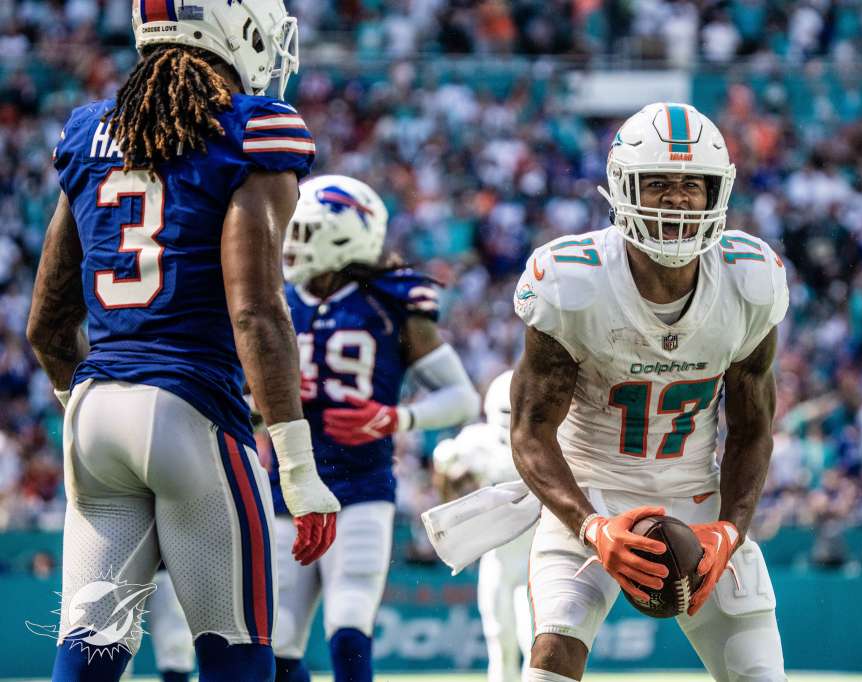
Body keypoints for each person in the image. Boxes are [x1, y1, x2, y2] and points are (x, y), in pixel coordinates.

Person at [26, 1, 341, 678]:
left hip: (94, 411)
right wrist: (298, 467)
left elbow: (47, 323)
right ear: (238, 29)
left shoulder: (88, 131)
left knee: (87, 655)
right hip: (190, 410)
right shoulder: (254, 129)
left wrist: (88, 410)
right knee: (237, 655)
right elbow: (256, 312)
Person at [510, 102, 789, 681]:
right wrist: (590, 526)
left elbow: (753, 430)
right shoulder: (573, 281)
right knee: (552, 657)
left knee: (758, 673)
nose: (677, 200)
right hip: (590, 492)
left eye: (692, 184)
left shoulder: (749, 280)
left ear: (717, 192)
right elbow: (530, 431)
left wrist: (729, 530)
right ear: (623, 187)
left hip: (696, 494)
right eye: (658, 183)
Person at [269, 175, 480, 682]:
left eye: (305, 231)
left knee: (348, 625)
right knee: (276, 644)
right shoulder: (274, 300)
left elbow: (462, 396)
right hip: (287, 487)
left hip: (360, 485)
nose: (291, 243)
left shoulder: (389, 304)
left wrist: (395, 418)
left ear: (346, 235)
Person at [433, 370, 534, 682]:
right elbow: (446, 480)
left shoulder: (544, 441)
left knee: (532, 637)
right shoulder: (477, 441)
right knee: (498, 636)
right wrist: (452, 473)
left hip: (534, 553)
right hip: (498, 554)